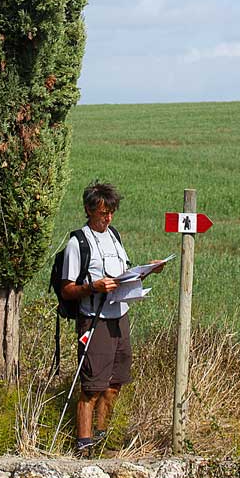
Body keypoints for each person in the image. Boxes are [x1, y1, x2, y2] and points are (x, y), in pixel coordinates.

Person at [61, 180, 163, 456]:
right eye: (103, 213)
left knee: (114, 384)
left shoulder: (115, 236)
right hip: (94, 320)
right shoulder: (77, 243)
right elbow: (67, 289)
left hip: (120, 317)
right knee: (92, 387)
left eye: (111, 212)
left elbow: (124, 276)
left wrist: (147, 271)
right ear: (88, 210)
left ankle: (102, 440)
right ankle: (84, 447)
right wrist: (93, 287)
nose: (108, 218)